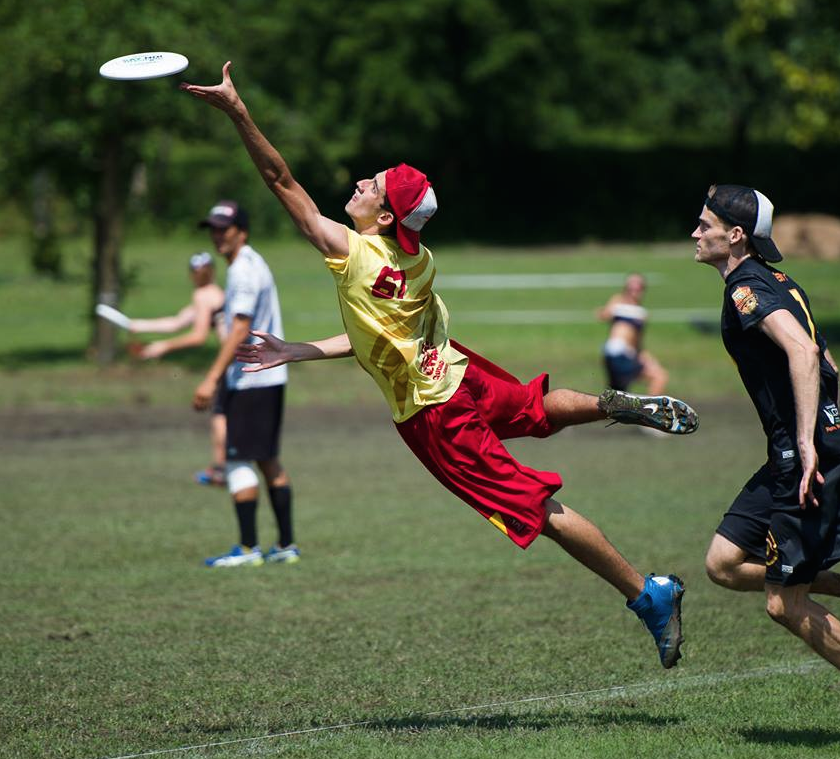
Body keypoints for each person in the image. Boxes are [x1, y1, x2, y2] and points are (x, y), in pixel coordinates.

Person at [181, 62, 699, 667]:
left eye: (372, 186)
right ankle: (611, 404)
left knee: (536, 510)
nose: (360, 183)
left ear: (384, 218)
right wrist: (300, 350)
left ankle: (648, 595)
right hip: (457, 370)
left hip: (435, 414)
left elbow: (279, 179)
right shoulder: (419, 260)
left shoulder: (354, 253)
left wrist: (238, 112)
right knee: (536, 407)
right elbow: (377, 336)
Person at [692, 184, 840, 747]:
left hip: (804, 462)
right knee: (723, 563)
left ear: (736, 235)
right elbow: (828, 361)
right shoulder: (781, 282)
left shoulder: (747, 290)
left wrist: (809, 440)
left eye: (705, 225)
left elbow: (803, 352)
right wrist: (824, 426)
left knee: (784, 603)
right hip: (792, 457)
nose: (695, 233)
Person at [192, 198, 299, 568]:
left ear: (242, 231)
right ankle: (285, 545)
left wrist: (211, 378)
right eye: (214, 229)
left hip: (253, 380)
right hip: (267, 377)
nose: (218, 236)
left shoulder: (243, 271)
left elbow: (240, 328)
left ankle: (249, 549)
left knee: (237, 459)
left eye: (225, 229)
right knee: (268, 460)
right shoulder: (251, 263)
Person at [127, 251, 228, 487]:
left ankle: (221, 469)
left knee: (220, 414)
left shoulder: (203, 296)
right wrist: (140, 325)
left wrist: (164, 347)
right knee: (226, 412)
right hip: (240, 359)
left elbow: (198, 336)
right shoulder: (216, 293)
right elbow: (177, 322)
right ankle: (226, 466)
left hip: (231, 360)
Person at [597, 273, 668, 395]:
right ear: (626, 288)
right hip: (616, 351)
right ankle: (650, 406)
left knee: (618, 394)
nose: (634, 291)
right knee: (659, 376)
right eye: (631, 287)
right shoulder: (618, 302)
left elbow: (637, 342)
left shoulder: (641, 313)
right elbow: (603, 315)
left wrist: (646, 357)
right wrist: (609, 310)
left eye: (638, 288)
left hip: (627, 354)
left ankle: (642, 405)